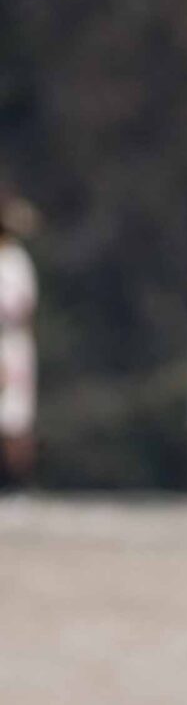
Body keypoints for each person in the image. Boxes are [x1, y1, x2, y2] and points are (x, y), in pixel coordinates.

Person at [0, 192, 39, 491]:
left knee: (15, 417)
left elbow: (23, 305)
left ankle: (18, 484)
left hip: (11, 345)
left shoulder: (16, 260)